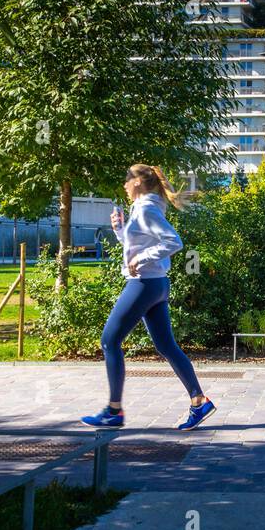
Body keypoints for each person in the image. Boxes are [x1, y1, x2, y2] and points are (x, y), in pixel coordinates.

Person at [80, 164, 216, 431]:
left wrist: (140, 259)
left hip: (143, 284)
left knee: (109, 341)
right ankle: (199, 401)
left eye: (126, 179)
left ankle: (114, 411)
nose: (124, 185)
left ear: (139, 182)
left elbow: (173, 242)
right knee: (166, 346)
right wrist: (121, 232)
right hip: (156, 284)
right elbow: (139, 245)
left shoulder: (146, 209)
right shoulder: (144, 208)